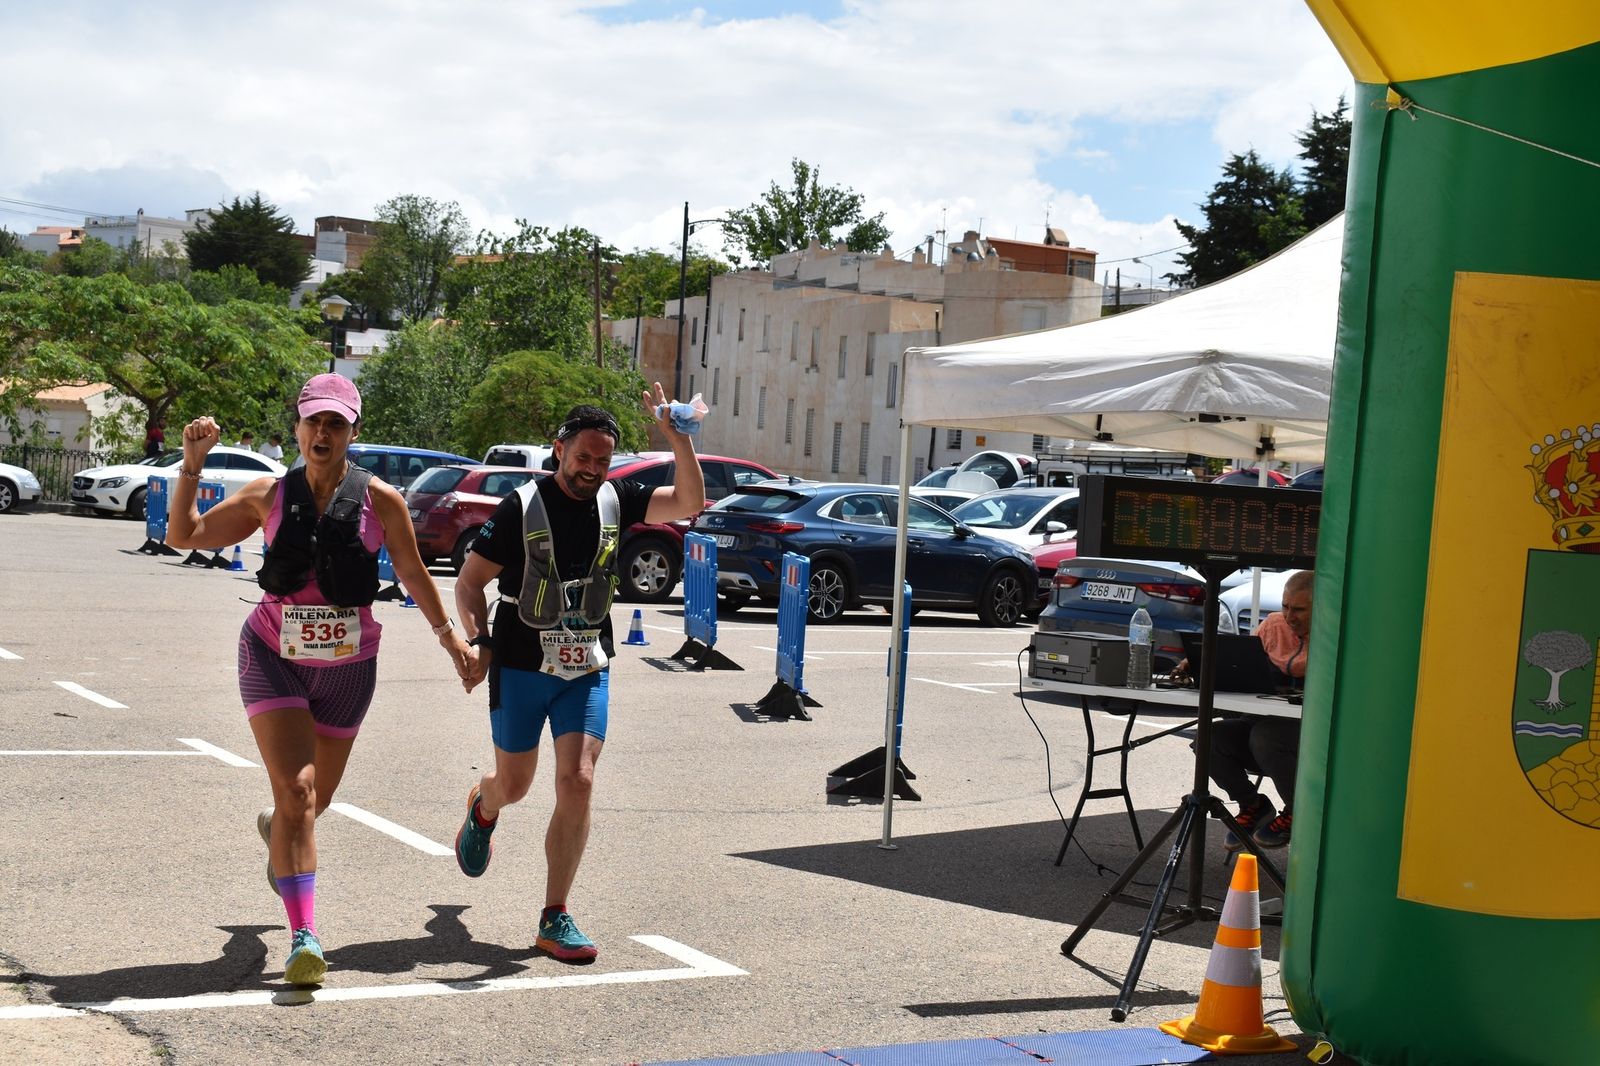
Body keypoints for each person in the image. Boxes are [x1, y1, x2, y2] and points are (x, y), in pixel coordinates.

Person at [165, 373, 472, 987]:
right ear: (298, 428)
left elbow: (412, 572)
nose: (323, 432)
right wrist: (191, 468)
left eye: (336, 422)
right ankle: (304, 937)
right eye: (314, 421)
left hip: (348, 668)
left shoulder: (381, 500)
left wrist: (453, 640)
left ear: (354, 431)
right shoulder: (266, 496)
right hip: (272, 653)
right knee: (299, 791)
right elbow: (184, 536)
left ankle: (276, 830)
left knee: (313, 801)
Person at [452, 386, 704, 962]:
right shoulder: (520, 506)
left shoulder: (618, 500)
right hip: (520, 663)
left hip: (586, 664)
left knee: (579, 780)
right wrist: (479, 641)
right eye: (582, 457)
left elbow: (690, 499)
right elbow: (469, 584)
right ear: (558, 449)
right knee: (513, 784)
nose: (591, 469)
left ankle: (554, 915)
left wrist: (676, 434)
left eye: (602, 460)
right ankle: (484, 806)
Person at [1207, 569, 1313, 852]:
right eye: (1285, 606)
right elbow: (1242, 665)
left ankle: (1299, 813)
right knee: (1210, 737)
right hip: (1260, 722)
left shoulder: (1337, 637)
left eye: (1300, 610)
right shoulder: (1273, 626)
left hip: (1309, 734)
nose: (1290, 616)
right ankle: (1252, 804)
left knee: (1266, 737)